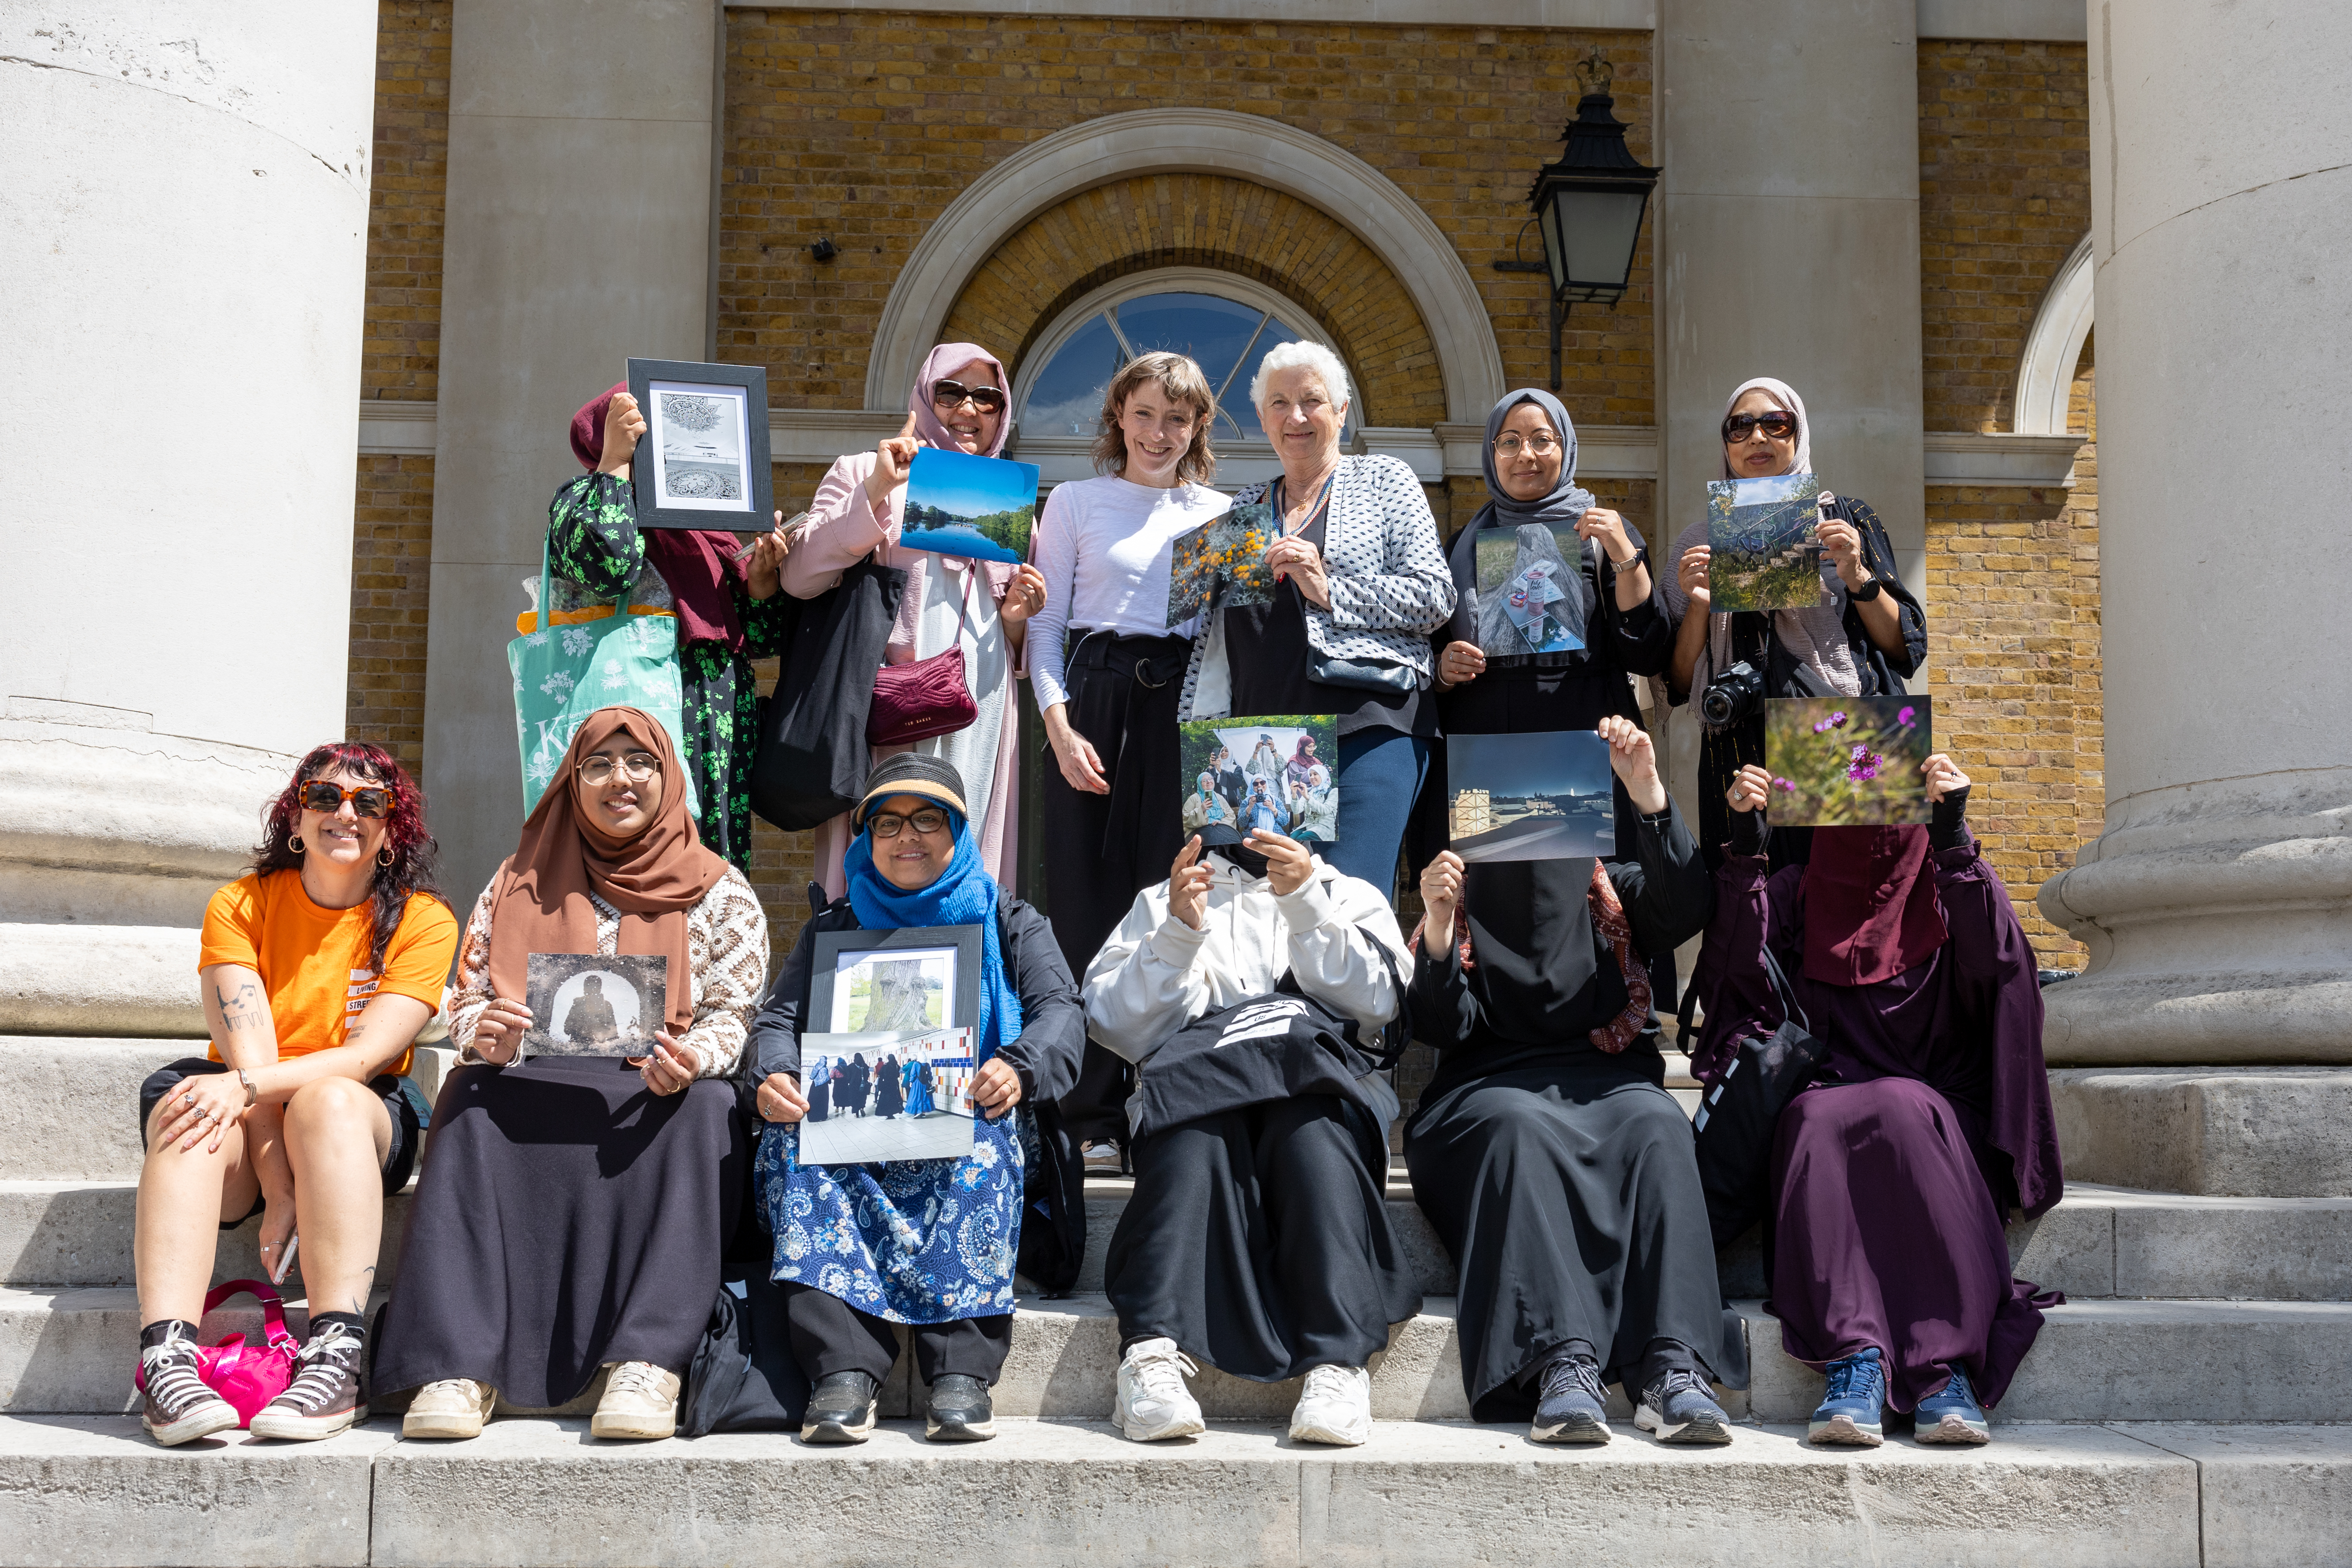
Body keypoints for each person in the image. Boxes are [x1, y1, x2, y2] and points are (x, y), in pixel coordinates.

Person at [374, 709, 769, 1444]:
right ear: (572, 781)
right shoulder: (517, 881)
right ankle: (457, 1363)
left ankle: (649, 1361)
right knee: (468, 1093)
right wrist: (480, 1037)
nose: (621, 779)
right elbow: (467, 1001)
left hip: (659, 1087)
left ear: (668, 775)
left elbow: (731, 1013)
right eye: (599, 765)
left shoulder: (719, 888)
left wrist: (692, 1060)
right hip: (539, 1081)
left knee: (711, 1106)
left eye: (640, 762)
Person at [1688, 751, 2063, 1447]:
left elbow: (2003, 968)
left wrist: (1951, 831)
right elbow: (1736, 982)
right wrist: (1746, 846)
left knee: (1901, 1105)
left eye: (1886, 809)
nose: (1869, 834)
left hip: (1936, 1110)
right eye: (1849, 810)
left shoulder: (1946, 889)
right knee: (1812, 1118)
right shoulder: (1797, 894)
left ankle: (1943, 1366)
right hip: (1823, 1101)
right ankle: (1853, 1359)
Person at [1405, 717, 1729, 1446]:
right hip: (1484, 1086)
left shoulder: (1610, 891)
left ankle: (1672, 1366)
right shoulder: (1463, 902)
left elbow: (1684, 905)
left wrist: (1645, 787)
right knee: (1518, 1128)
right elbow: (1440, 1025)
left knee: (1656, 1125)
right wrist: (1434, 920)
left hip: (1608, 1078)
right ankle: (1560, 1363)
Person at [748, 756, 1085, 1444]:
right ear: (866, 837)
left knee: (983, 1131)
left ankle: (960, 1368)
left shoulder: (1010, 920)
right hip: (857, 1123)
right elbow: (776, 1022)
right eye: (889, 821)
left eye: (928, 818)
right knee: (799, 1137)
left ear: (958, 832)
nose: (909, 836)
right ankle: (842, 1369)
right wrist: (776, 1074)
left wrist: (1017, 1067)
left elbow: (1062, 1010)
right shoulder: (832, 927)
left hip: (966, 1118)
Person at [133, 744, 457, 1446]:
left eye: (370, 802)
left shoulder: (424, 920)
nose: (346, 813)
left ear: (392, 828)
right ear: (296, 817)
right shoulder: (241, 903)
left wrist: (255, 1102)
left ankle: (336, 1354)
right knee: (192, 1099)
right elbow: (249, 1066)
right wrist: (281, 1187)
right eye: (325, 797)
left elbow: (365, 1056)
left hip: (355, 1120)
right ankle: (166, 1361)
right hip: (245, 1121)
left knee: (331, 1096)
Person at [1085, 824, 1421, 1448]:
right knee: (1193, 1138)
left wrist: (1305, 905)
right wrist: (1179, 933)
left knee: (1310, 1133)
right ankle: (1149, 1353)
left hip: (1317, 1097)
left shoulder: (1347, 892)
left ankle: (1336, 1363)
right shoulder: (1168, 895)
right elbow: (1111, 1024)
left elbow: (1382, 1001)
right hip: (1201, 1093)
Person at [1176, 341, 1455, 896]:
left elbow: (1434, 598)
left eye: (1312, 401)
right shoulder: (1242, 508)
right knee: (1263, 918)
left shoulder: (1384, 480)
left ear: (1342, 410)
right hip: (1262, 745)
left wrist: (1329, 590)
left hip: (1365, 727)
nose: (1296, 417)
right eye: (1279, 404)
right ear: (1261, 419)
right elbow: (1212, 641)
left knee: (1345, 906)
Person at [786, 343, 1051, 897]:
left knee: (968, 837)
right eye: (950, 393)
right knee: (891, 842)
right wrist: (880, 489)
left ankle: (965, 964)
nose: (968, 410)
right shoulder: (864, 470)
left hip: (979, 702)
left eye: (987, 398)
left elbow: (1006, 629)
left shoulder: (1007, 499)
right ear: (925, 398)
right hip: (890, 705)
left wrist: (1017, 618)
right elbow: (800, 578)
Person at [1430, 387, 1669, 987]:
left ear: (1566, 446)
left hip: (1580, 748)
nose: (1525, 454)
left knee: (1593, 899)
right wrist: (1443, 665)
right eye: (1509, 442)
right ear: (1490, 453)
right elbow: (1428, 642)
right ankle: (1489, 1029)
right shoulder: (1461, 542)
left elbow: (1646, 646)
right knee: (1493, 907)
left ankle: (1606, 1019)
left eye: (1542, 439)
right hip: (1488, 751)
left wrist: (1625, 555)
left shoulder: (1598, 531)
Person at [1659, 377, 1924, 869]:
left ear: (1797, 436)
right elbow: (1675, 683)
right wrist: (1699, 603)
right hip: (1740, 751)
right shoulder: (1696, 544)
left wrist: (1858, 576)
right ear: (1725, 442)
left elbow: (1906, 650)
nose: (1757, 438)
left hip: (1841, 736)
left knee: (1856, 913)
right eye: (1740, 427)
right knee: (1753, 914)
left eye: (1775, 423)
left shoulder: (1846, 518)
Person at [1027, 351, 1231, 975]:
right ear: (1118, 414)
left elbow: (1231, 641)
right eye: (1143, 413)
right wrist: (1059, 733)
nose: (1157, 432)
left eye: (1176, 417)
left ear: (1198, 425)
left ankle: (1164, 1068)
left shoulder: (1221, 511)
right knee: (1080, 891)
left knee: (1176, 886)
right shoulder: (1073, 500)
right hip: (1094, 702)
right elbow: (1046, 626)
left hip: (1183, 709)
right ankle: (1084, 1069)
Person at [546, 386, 795, 872]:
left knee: (711, 856)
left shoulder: (709, 522)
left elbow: (759, 639)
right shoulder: (583, 499)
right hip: (635, 704)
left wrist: (763, 580)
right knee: (634, 849)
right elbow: (611, 566)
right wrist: (616, 462)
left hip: (717, 713)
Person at [562, 974, 618, 1047]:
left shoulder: (607, 1006)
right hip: (579, 1047)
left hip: (599, 1048)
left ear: (599, 989)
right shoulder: (578, 1003)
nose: (588, 990)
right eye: (587, 987)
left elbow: (613, 1034)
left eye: (592, 987)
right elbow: (568, 1029)